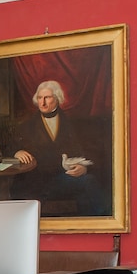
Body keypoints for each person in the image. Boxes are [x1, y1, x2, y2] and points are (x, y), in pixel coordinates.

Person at [8, 80, 109, 216]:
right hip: (37, 182)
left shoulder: (72, 123)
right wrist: (17, 152)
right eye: (40, 98)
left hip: (64, 177)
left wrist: (84, 167)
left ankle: (101, 221)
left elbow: (85, 151)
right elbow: (9, 148)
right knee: (87, 186)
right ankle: (105, 218)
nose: (42, 103)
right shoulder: (27, 126)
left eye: (47, 97)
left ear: (57, 98)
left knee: (87, 184)